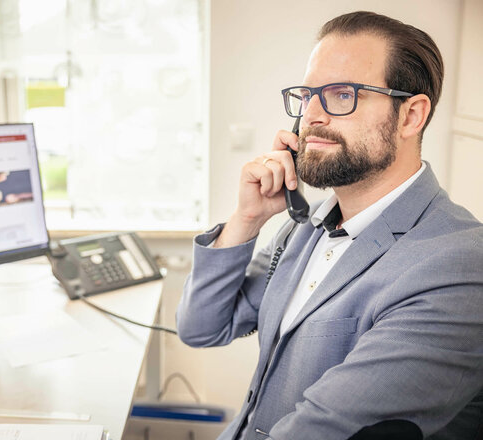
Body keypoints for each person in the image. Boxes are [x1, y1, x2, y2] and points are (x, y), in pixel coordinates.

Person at [176, 11, 483, 440]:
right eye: (308, 94)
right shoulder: (310, 223)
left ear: (411, 116)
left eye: (342, 94)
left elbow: (323, 430)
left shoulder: (460, 265)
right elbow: (201, 327)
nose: (312, 115)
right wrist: (248, 219)